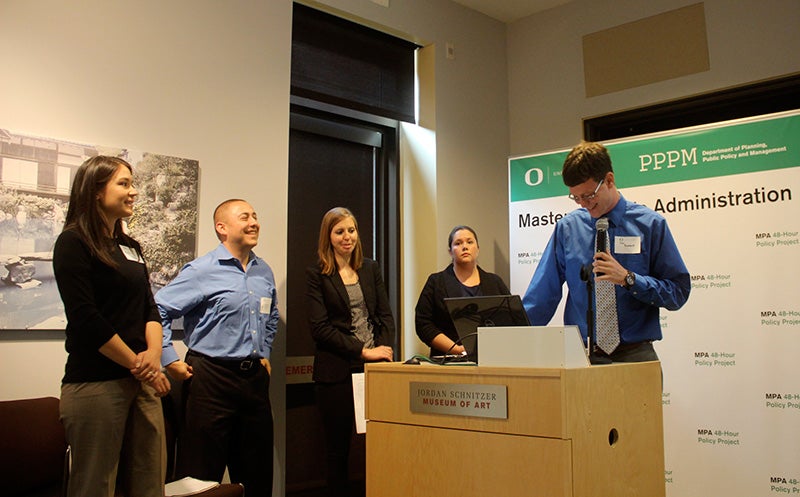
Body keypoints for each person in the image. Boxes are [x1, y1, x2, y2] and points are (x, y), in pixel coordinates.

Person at [53, 155, 170, 497]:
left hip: (141, 382)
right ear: (95, 191)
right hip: (95, 385)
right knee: (95, 486)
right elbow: (86, 319)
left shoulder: (131, 247)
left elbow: (150, 307)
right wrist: (141, 366)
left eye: (133, 184)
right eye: (124, 184)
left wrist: (152, 354)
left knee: (150, 483)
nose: (133, 192)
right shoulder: (73, 242)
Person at [522, 141, 691, 362]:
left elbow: (678, 292)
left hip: (635, 356)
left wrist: (629, 279)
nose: (583, 204)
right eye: (576, 197)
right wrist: (507, 337)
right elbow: (541, 296)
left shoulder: (650, 225)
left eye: (589, 195)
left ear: (609, 180)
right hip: (581, 355)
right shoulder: (568, 229)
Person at [156, 199, 279, 497]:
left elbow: (271, 314)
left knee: (257, 475)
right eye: (244, 217)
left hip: (253, 385)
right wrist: (168, 357)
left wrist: (264, 351)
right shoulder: (201, 270)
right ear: (221, 228)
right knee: (199, 477)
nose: (254, 222)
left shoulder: (264, 271)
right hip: (209, 381)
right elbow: (157, 309)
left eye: (255, 215)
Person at [306, 207, 395, 497]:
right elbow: (320, 329)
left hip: (375, 370)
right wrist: (362, 352)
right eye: (340, 231)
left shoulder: (370, 268)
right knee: (337, 451)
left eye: (352, 230)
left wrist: (382, 349)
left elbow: (384, 315)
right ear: (328, 237)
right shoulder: (317, 274)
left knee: (381, 445)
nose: (348, 237)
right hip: (336, 373)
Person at [415, 225, 510, 357]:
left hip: (492, 358)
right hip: (448, 360)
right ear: (450, 251)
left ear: (478, 248)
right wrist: (457, 349)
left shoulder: (495, 282)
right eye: (458, 243)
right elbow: (423, 324)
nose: (464, 247)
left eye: (470, 242)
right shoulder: (436, 282)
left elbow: (510, 321)